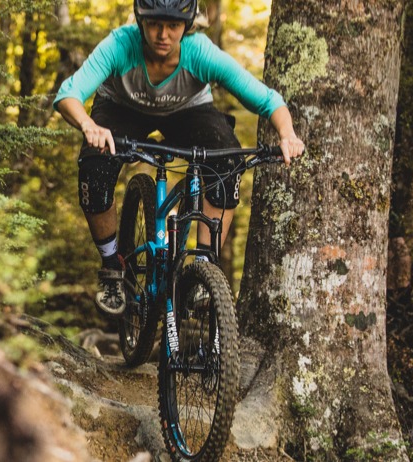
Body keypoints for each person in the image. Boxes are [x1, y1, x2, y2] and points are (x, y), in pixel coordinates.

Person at [53, 0, 305, 318]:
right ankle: (111, 265)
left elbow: (267, 100)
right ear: (140, 21)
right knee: (94, 163)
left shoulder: (199, 52)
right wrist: (89, 126)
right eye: (155, 24)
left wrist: (287, 134)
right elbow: (68, 94)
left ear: (187, 26)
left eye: (173, 26)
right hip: (121, 109)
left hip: (188, 112)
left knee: (226, 159)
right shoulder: (121, 44)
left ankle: (203, 267)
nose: (163, 34)